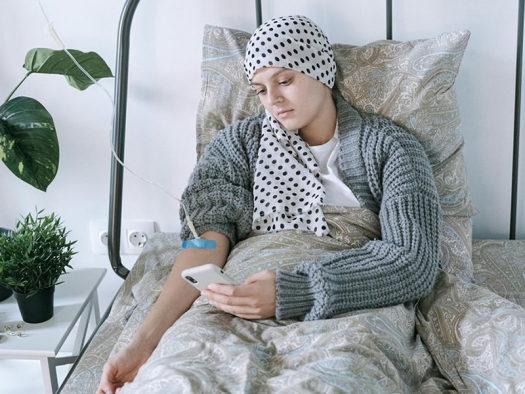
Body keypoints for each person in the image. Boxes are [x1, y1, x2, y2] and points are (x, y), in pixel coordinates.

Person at [97, 15, 441, 394]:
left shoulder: (390, 148)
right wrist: (143, 343)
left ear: (321, 70)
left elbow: (413, 260)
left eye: (285, 80)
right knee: (180, 380)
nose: (272, 99)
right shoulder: (237, 146)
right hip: (233, 301)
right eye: (260, 89)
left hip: (349, 304)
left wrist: (292, 292)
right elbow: (202, 244)